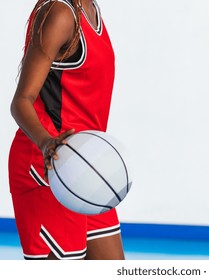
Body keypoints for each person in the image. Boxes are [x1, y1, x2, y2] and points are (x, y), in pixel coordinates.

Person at [9, 0, 125, 260]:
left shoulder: (90, 8)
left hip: (87, 168)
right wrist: (46, 143)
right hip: (49, 167)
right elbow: (21, 101)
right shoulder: (60, 13)